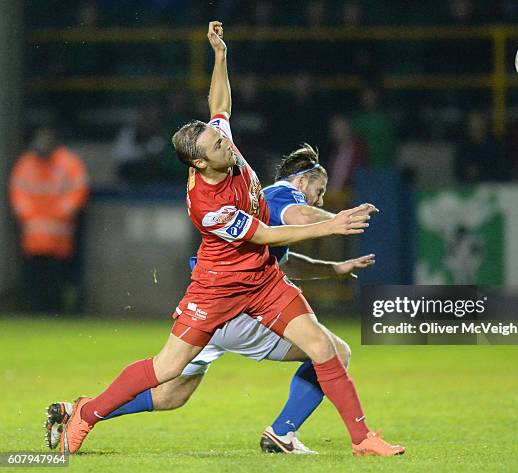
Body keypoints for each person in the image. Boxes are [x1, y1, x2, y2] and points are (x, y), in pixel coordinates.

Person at [53, 21, 404, 457]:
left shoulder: (222, 149)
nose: (226, 143)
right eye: (217, 144)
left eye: (221, 137)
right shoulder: (208, 203)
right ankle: (87, 416)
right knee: (168, 371)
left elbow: (219, 104)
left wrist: (220, 56)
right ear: (200, 163)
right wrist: (330, 225)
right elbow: (267, 233)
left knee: (324, 346)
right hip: (218, 288)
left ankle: (363, 439)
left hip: (263, 283)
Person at [46, 143, 375, 455]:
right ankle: (284, 432)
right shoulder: (282, 192)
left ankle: (81, 411)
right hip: (236, 307)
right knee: (333, 351)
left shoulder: (260, 201)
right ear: (302, 180)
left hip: (212, 303)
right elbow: (300, 217)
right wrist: (336, 220)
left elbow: (281, 259)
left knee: (170, 394)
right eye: (318, 192)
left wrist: (334, 268)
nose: (317, 201)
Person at [9, 126, 89, 313]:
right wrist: (30, 215)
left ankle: (56, 311)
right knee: (33, 278)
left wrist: (60, 213)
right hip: (33, 236)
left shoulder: (69, 163)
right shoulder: (26, 163)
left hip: (60, 236)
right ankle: (33, 310)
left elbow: (78, 191)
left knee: (57, 278)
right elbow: (17, 192)